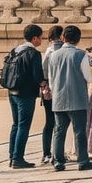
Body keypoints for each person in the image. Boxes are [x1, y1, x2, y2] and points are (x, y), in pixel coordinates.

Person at [46, 24, 92, 172]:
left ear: (63, 38)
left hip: (59, 98)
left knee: (59, 130)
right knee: (80, 131)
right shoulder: (81, 55)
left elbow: (51, 78)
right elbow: (88, 76)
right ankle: (83, 160)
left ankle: (58, 161)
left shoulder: (53, 55)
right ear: (78, 39)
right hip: (77, 97)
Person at [4, 25, 46, 168]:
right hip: (26, 94)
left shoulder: (15, 51)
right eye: (40, 37)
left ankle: (12, 156)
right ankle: (18, 158)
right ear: (34, 38)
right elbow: (37, 75)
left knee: (16, 124)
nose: (41, 40)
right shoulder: (33, 53)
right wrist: (44, 83)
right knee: (23, 125)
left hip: (12, 92)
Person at [38, 25, 64, 164]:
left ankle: (46, 153)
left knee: (49, 122)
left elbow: (44, 71)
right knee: (60, 123)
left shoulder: (48, 50)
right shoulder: (61, 49)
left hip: (48, 89)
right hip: (61, 89)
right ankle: (57, 152)